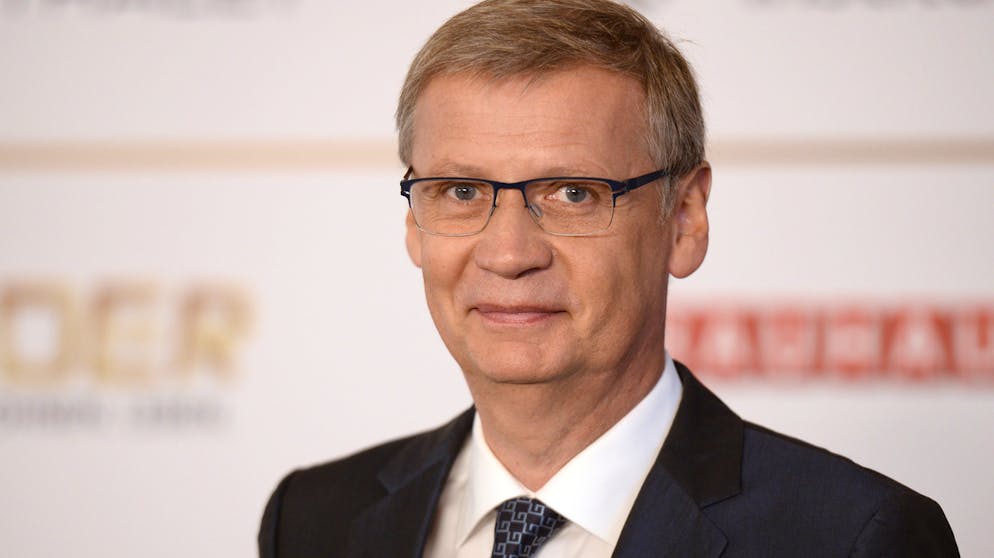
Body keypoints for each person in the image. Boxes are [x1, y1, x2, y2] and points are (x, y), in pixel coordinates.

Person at [258, 0, 959, 556]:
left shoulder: (852, 537)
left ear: (684, 219)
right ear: (415, 223)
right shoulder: (314, 520)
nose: (508, 253)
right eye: (461, 191)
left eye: (573, 193)